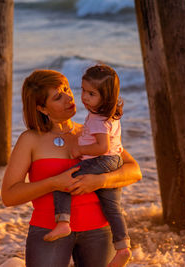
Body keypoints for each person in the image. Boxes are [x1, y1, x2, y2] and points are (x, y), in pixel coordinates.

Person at [1, 69, 142, 267]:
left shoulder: (91, 132)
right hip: (48, 228)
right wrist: (54, 183)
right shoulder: (30, 140)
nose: (69, 98)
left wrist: (100, 181)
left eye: (67, 89)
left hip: (99, 230)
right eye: (58, 97)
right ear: (42, 108)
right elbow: (9, 196)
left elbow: (134, 170)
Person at [44, 64, 131, 267]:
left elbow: (102, 147)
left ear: (106, 97)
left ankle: (63, 222)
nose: (84, 97)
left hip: (103, 161)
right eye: (83, 90)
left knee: (63, 182)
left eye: (91, 93)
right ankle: (123, 246)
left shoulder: (99, 119)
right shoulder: (109, 114)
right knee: (112, 207)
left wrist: (80, 151)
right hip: (113, 161)